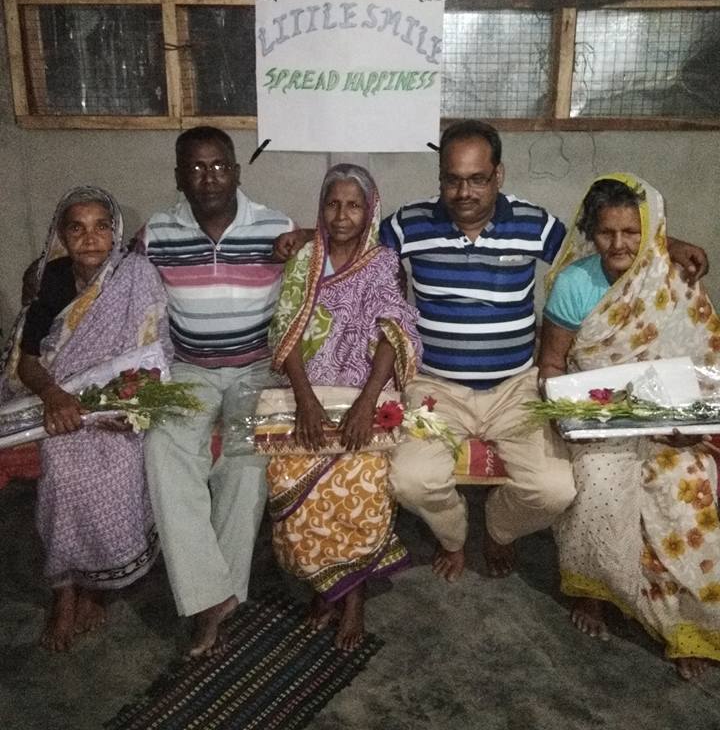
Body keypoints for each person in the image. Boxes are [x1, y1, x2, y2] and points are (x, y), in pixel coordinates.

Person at [276, 120, 708, 581]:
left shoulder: (532, 223)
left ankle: (500, 529)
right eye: (453, 179)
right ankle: (454, 534)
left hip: (515, 386)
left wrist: (666, 242)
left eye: (477, 179)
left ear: (497, 175)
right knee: (409, 481)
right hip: (433, 387)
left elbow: (598, 243)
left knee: (554, 489)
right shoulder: (410, 224)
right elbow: (352, 235)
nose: (464, 192)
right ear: (440, 177)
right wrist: (305, 236)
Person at [538, 174, 720, 680]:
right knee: (597, 490)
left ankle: (685, 624)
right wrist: (572, 416)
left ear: (653, 231)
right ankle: (595, 592)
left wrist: (689, 425)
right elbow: (551, 366)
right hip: (601, 421)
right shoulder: (576, 284)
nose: (618, 245)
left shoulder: (674, 278)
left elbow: (704, 366)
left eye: (631, 233)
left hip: (671, 428)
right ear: (591, 233)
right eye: (606, 233)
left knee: (688, 491)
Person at [139, 126, 293, 656]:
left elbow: (335, 251)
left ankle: (215, 602)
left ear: (237, 171)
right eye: (196, 168)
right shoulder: (157, 233)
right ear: (179, 176)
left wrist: (313, 237)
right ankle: (212, 595)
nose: (209, 178)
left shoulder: (275, 226)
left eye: (219, 166)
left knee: (246, 460)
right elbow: (119, 281)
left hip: (256, 370)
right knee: (163, 448)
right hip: (189, 371)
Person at [0, 186, 171, 652]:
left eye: (101, 227)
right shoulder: (49, 279)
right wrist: (55, 397)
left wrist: (131, 409)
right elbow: (28, 360)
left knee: (116, 474)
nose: (90, 238)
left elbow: (154, 351)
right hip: (62, 408)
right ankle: (64, 593)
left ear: (115, 232)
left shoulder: (135, 277)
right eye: (77, 228)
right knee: (61, 483)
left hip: (118, 410)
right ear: (62, 235)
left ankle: (95, 587)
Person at [267, 164, 421, 650]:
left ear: (370, 209)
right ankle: (324, 583)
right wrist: (306, 402)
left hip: (363, 393)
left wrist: (365, 405)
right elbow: (285, 331)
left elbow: (391, 331)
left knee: (363, 478)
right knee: (287, 478)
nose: (342, 215)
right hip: (305, 391)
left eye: (354, 205)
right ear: (321, 207)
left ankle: (351, 597)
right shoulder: (305, 259)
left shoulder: (382, 262)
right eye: (333, 204)